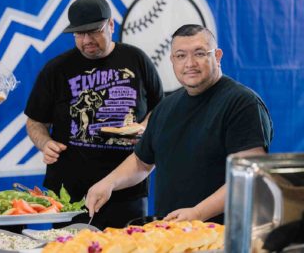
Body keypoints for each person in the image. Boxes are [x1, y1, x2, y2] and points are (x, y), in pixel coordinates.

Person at [86, 24, 273, 224]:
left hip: (222, 237)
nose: (190, 63)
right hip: (171, 234)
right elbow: (142, 162)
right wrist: (108, 183)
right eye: (181, 56)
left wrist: (198, 213)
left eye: (200, 53)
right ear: (172, 60)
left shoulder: (242, 103)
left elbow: (247, 176)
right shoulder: (165, 108)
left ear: (217, 56)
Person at [24, 0, 164, 229]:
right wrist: (44, 143)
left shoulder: (137, 60)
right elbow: (35, 121)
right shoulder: (56, 69)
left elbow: (160, 109)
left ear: (111, 25)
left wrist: (144, 127)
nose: (87, 40)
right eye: (79, 34)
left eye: (94, 31)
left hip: (127, 189)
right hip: (70, 193)